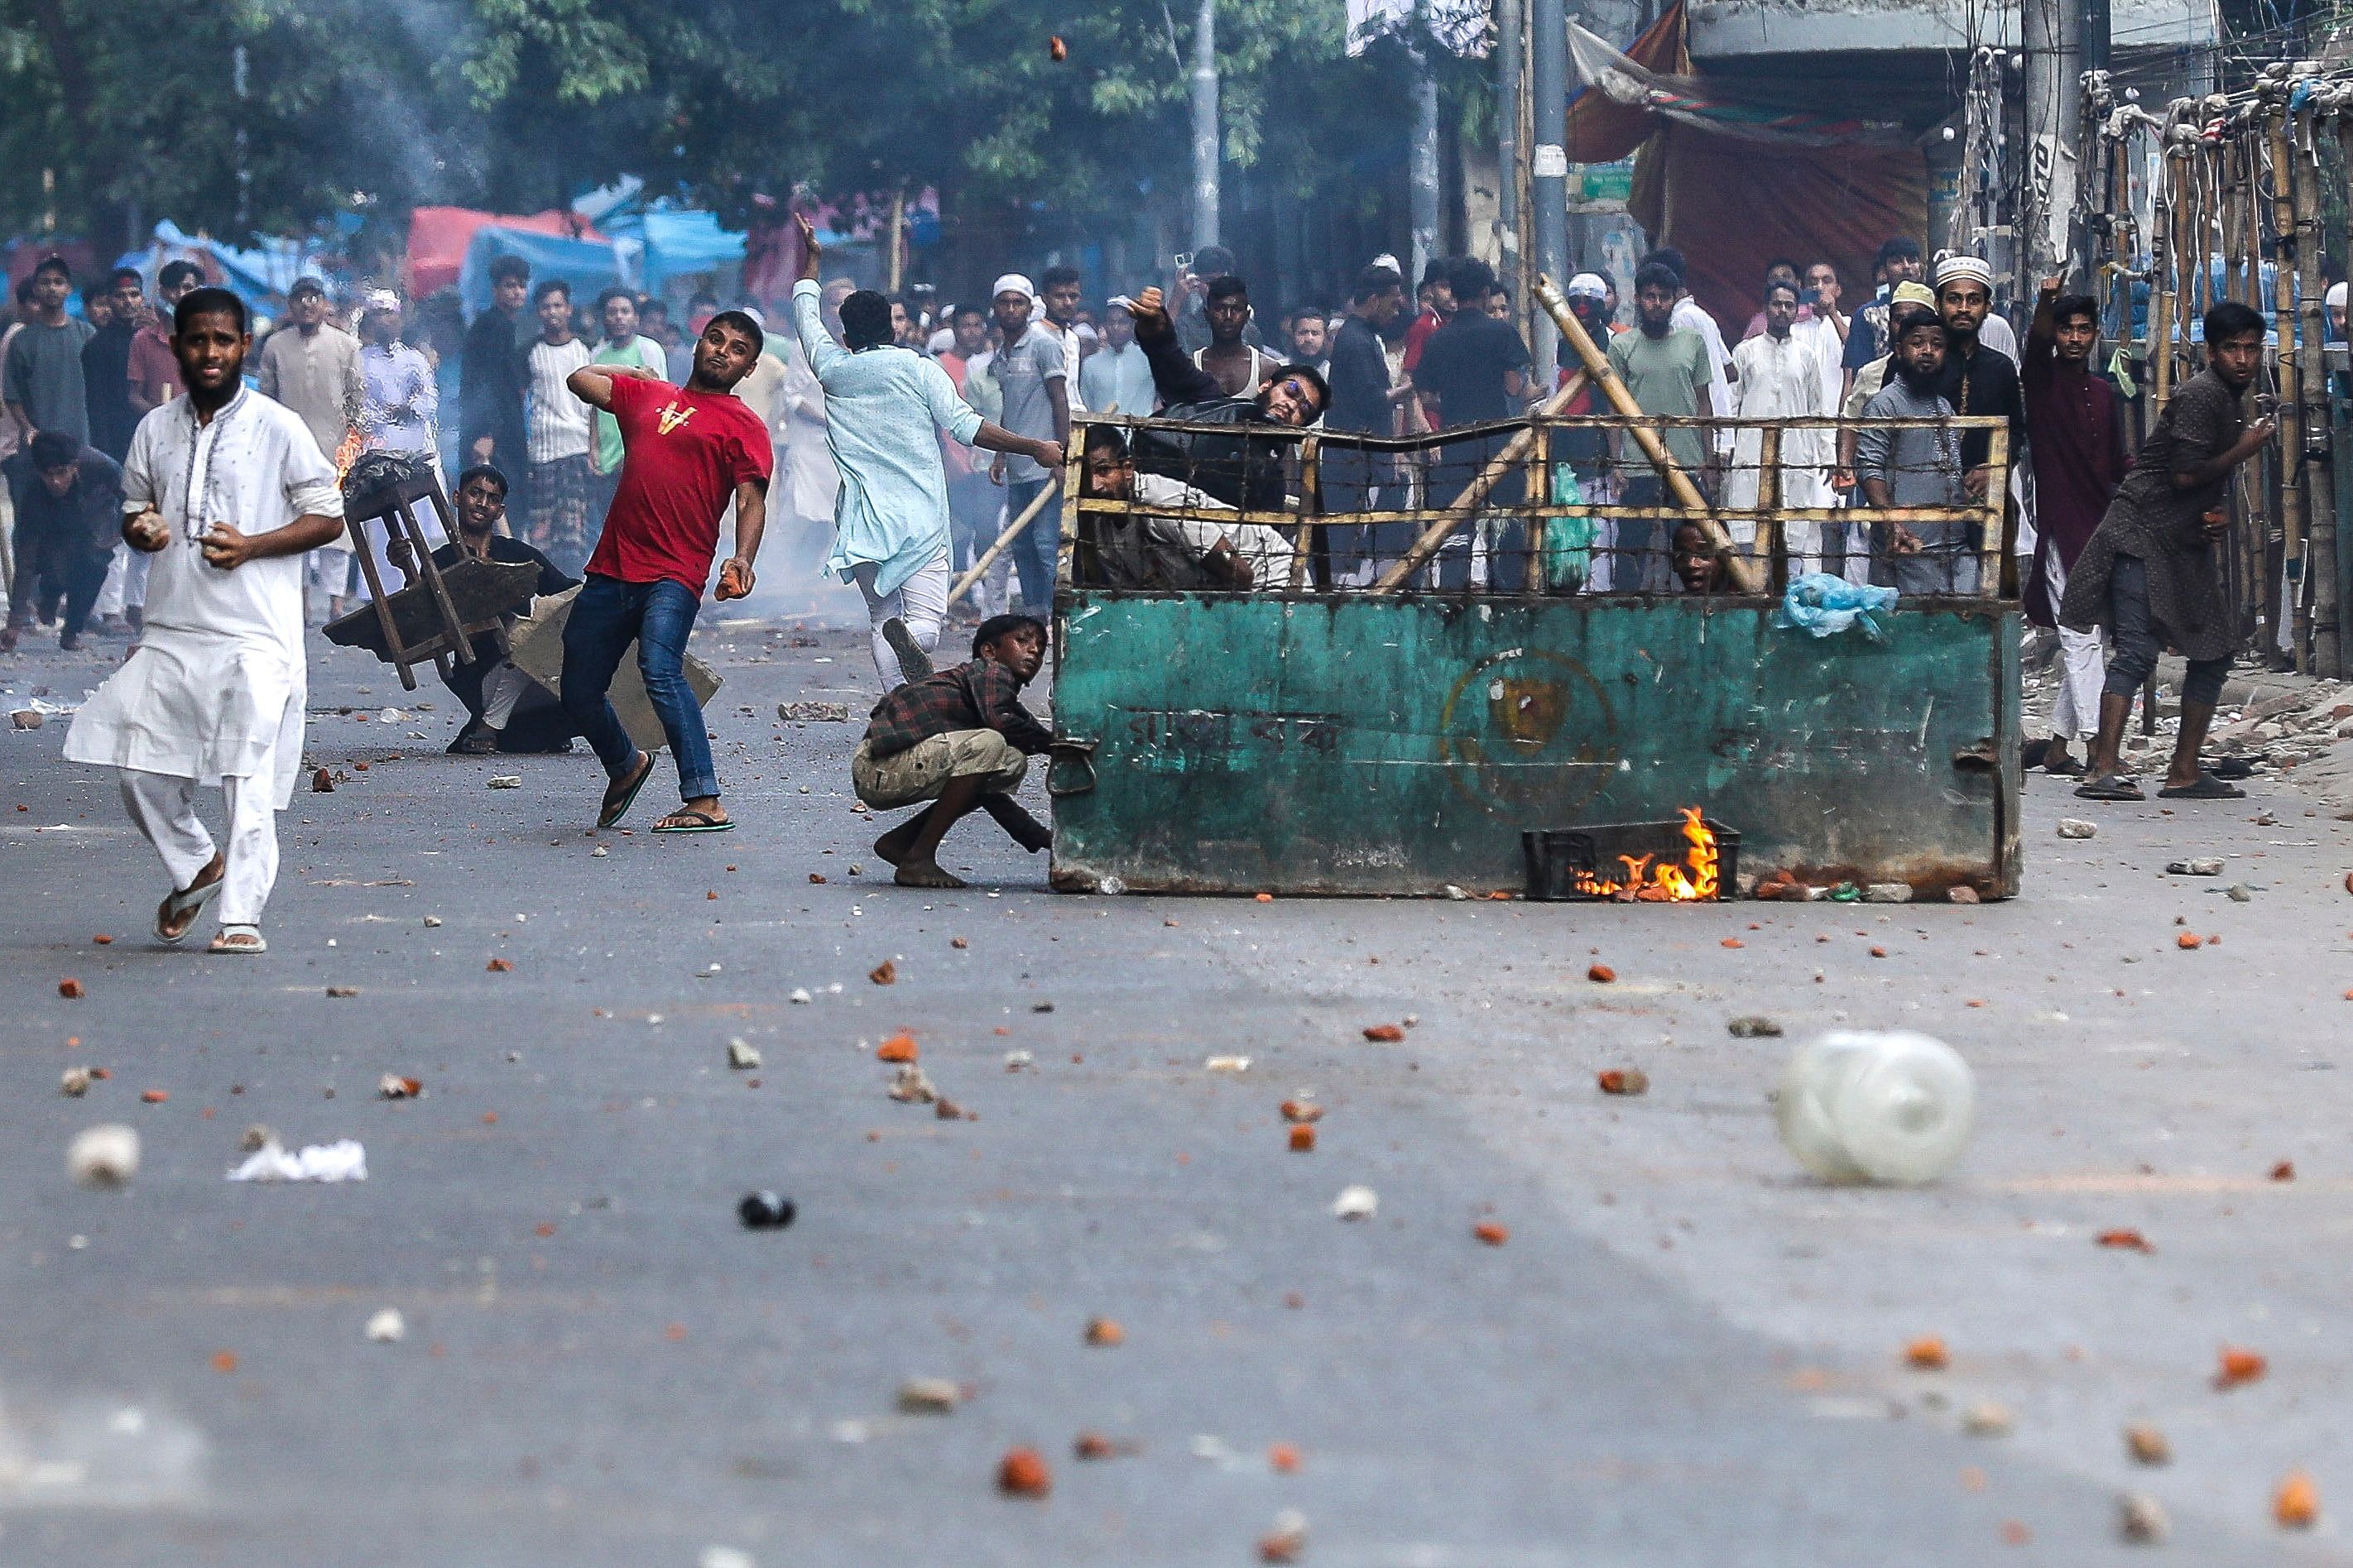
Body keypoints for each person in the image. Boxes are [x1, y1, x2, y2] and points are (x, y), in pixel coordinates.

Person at [62, 287, 346, 955]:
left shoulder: (277, 426)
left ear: (243, 346)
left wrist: (251, 545)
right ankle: (195, 863)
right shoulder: (154, 430)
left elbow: (328, 515)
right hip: (172, 629)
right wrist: (144, 528)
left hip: (255, 634)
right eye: (197, 340)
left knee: (245, 775)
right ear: (177, 346)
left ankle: (241, 915)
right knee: (135, 764)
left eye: (224, 340)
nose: (211, 352)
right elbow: (135, 510)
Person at [788, 215, 1066, 689]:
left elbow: (806, 316)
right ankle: (910, 655)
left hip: (861, 519)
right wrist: (1033, 446)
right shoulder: (920, 369)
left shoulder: (832, 367)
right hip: (919, 518)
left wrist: (812, 262)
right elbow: (968, 427)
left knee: (882, 619)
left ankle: (899, 700)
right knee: (927, 627)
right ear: (893, 331)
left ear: (848, 338)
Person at [559, 308, 772, 835]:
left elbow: (751, 499)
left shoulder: (744, 424)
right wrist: (632, 375)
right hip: (612, 567)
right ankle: (626, 764)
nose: (723, 350)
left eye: (738, 349)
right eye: (716, 339)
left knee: (661, 668)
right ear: (697, 345)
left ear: (748, 369)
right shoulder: (650, 398)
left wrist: (743, 558)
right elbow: (579, 380)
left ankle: (705, 798)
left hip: (676, 572)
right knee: (577, 691)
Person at [2064, 301, 2274, 803]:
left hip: (2177, 542)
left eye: (2251, 348)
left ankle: (2183, 769)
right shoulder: (2203, 395)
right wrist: (2244, 449)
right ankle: (2103, 769)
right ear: (2211, 352)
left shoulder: (2228, 397)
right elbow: (2182, 474)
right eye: (2232, 349)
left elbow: (2197, 477)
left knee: (2215, 647)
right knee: (2137, 649)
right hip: (2140, 535)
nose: (2243, 359)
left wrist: (2211, 513)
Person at [855, 613, 1056, 888]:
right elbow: (1000, 721)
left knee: (1009, 761)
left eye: (1040, 648)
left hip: (884, 769)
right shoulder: (991, 671)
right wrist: (1055, 745)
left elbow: (988, 793)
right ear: (989, 651)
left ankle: (901, 844)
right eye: (1022, 641)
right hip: (881, 765)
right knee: (991, 743)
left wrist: (1038, 836)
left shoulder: (983, 692)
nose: (1033, 650)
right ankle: (918, 859)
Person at [2021, 280, 2126, 775]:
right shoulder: (2042, 382)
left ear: (2096, 335)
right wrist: (2045, 300)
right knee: (2081, 635)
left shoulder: (2105, 393)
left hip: (2103, 526)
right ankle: (2096, 747)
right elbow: (2036, 345)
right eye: (2068, 329)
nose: (2076, 338)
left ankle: (2060, 745)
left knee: (2088, 638)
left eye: (2085, 330)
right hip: (2062, 528)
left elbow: (2119, 462)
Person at [409, 464, 579, 755]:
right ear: (457, 497)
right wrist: (405, 566)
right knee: (527, 645)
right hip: (480, 677)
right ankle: (488, 727)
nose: (482, 504)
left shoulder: (518, 554)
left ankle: (539, 728)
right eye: (475, 493)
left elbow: (568, 590)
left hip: (534, 678)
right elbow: (419, 616)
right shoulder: (439, 562)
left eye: (491, 498)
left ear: (499, 511)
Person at [1124, 285, 1328, 513]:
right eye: (1291, 390)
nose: (1292, 405)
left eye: (1304, 409)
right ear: (1265, 386)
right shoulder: (1212, 402)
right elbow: (1173, 364)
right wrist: (1157, 332)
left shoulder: (1271, 484)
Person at [1414, 257, 1533, 586]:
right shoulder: (1502, 333)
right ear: (1485, 292)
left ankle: (1453, 598)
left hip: (1455, 444)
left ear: (1452, 292)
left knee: (1455, 526)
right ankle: (1509, 598)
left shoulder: (1439, 339)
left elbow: (1425, 397)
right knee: (1506, 523)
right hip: (1499, 442)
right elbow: (1513, 386)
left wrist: (1453, 402)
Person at [255, 276, 365, 619]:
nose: (307, 304)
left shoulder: (347, 346)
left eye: (313, 297)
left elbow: (357, 398)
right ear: (290, 306)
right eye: (300, 298)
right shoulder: (275, 345)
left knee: (335, 525)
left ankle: (335, 602)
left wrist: (355, 442)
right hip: (288, 450)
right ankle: (300, 602)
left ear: (326, 305)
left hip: (335, 449)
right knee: (294, 524)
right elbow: (266, 398)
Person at [1605, 261, 1715, 591]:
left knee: (1692, 555)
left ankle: (1698, 625)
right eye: (1650, 297)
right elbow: (1615, 408)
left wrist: (1709, 459)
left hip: (1686, 463)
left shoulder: (1692, 342)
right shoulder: (1622, 346)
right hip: (1638, 466)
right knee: (1630, 555)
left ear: (1673, 299)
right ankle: (1623, 622)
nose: (1657, 304)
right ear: (1638, 299)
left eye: (1664, 297)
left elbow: (1703, 403)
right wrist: (1616, 462)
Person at [1083, 424, 1288, 590]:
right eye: (1085, 474)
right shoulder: (1100, 527)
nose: (1095, 485)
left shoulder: (1160, 503)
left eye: (1104, 470)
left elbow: (1239, 573)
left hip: (1272, 577)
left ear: (1127, 469)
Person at [1856, 314, 1974, 595]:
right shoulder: (1884, 405)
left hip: (1954, 549)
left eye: (1937, 345)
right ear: (1899, 350)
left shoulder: (1944, 407)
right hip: (1907, 547)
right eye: (1917, 344)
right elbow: (1869, 468)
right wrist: (1891, 524)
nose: (1928, 352)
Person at [1726, 278, 1829, 568]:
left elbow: (1816, 409)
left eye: (1789, 305)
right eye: (1777, 304)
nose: (1782, 310)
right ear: (1765, 309)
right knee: (1749, 538)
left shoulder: (1806, 356)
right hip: (1751, 452)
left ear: (1797, 311)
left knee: (1793, 541)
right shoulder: (1745, 352)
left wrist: (1824, 457)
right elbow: (1732, 403)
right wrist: (1727, 447)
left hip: (1797, 454)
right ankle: (1751, 603)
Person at [986, 273, 1070, 615]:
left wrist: (1063, 458)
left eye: (1017, 302)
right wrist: (1000, 455)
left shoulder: (1044, 343)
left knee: (1047, 543)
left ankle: (1058, 616)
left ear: (1029, 306)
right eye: (1004, 302)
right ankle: (1037, 613)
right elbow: (1010, 406)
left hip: (1045, 463)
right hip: (1019, 467)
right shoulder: (1002, 353)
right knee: (1022, 545)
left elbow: (1060, 401)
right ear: (995, 308)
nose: (1010, 309)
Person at [1323, 263, 1408, 575]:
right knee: (1351, 538)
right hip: (1355, 460)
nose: (1397, 313)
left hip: (1366, 457)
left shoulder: (1365, 336)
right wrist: (1411, 388)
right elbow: (1371, 399)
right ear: (1374, 300)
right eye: (1394, 303)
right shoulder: (1355, 340)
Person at [0, 431, 120, 650]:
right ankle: (49, 595)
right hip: (54, 527)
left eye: (61, 472)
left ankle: (72, 631)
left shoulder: (99, 465)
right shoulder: (33, 494)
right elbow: (25, 560)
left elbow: (131, 491)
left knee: (93, 568)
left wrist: (121, 528)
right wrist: (14, 624)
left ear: (74, 466)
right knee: (52, 565)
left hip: (95, 519)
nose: (55, 481)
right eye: (48, 475)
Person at [1931, 256, 2024, 495]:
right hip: (1924, 500)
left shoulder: (2001, 368)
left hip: (1983, 499)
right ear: (1937, 304)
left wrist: (1995, 469)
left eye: (1973, 300)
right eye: (1954, 299)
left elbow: (2016, 432)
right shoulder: (1918, 365)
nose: (1963, 309)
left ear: (1987, 307)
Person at [521, 281, 595, 574]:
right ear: (538, 313)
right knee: (541, 525)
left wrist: (594, 450)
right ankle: (541, 587)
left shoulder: (587, 349)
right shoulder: (529, 353)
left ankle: (572, 586)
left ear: (569, 309)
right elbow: (522, 403)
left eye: (558, 306)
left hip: (578, 447)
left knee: (574, 525)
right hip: (543, 450)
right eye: (546, 307)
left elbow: (597, 406)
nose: (552, 312)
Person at [1648, 248, 1735, 471]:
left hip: (1698, 434)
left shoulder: (1679, 320)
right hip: (1720, 425)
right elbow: (1730, 370)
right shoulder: (1703, 316)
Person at [588, 286, 669, 520]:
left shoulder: (649, 350)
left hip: (639, 455)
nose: (619, 317)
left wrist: (636, 451)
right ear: (604, 318)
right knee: (608, 521)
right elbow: (593, 407)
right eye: (612, 312)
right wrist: (593, 448)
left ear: (636, 317)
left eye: (625, 311)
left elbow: (659, 403)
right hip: (607, 456)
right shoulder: (598, 355)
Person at [4, 256, 94, 447]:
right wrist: (28, 427)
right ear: (36, 289)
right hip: (41, 445)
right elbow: (12, 395)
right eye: (45, 282)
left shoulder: (87, 335)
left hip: (83, 441)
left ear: (69, 288)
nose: (52, 288)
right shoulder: (22, 340)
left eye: (58, 282)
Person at [462, 255, 531, 488]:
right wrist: (487, 433)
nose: (517, 292)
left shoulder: (508, 326)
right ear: (496, 290)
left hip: (506, 425)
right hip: (492, 431)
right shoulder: (491, 327)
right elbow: (484, 383)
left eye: (522, 286)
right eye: (510, 286)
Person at [1844, 237, 1925, 399]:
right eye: (1897, 261)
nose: (1906, 267)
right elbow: (1860, 372)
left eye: (1912, 260)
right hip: (1879, 399)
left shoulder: (1935, 311)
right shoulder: (1867, 314)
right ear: (1883, 271)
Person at [127, 261, 204, 422]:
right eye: (174, 288)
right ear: (162, 292)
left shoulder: (210, 342)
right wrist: (162, 414)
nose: (181, 295)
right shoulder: (143, 340)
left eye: (188, 288)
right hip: (159, 431)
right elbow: (134, 397)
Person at [83, 268, 146, 463]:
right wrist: (104, 455)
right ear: (110, 301)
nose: (128, 302)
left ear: (142, 299)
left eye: (134, 295)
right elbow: (97, 407)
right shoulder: (97, 346)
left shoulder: (153, 340)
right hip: (118, 441)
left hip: (153, 433)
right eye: (120, 296)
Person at [1192, 276, 1280, 397]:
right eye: (1220, 309)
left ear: (1247, 315)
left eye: (1236, 309)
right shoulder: (1191, 368)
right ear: (1207, 314)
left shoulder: (1267, 369)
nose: (1228, 316)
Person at [1079, 298, 1156, 416]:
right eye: (1111, 322)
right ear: (1104, 325)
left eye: (1122, 322)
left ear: (1132, 325)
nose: (1115, 327)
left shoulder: (1149, 359)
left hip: (1140, 433)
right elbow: (1086, 407)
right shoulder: (1090, 364)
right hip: (1102, 433)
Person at [1036, 265, 1090, 410]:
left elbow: (1072, 390)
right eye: (1059, 296)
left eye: (1073, 296)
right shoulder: (1033, 336)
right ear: (1045, 298)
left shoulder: (1073, 339)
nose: (1067, 303)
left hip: (1073, 422)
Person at [1740, 259, 1805, 339]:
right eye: (1775, 278)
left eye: (1786, 277)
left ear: (1798, 284)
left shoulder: (1810, 316)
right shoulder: (1759, 323)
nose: (1781, 281)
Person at [1669, 520, 1731, 595]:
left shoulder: (1746, 603)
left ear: (1725, 560)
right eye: (1683, 555)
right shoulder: (1667, 606)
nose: (1691, 564)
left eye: (1704, 554)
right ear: (1673, 563)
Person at [1286, 307, 1332, 376]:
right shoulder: (1278, 369)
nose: (1308, 339)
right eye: (1302, 333)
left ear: (1325, 337)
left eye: (1315, 333)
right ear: (1293, 336)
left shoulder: (1334, 373)